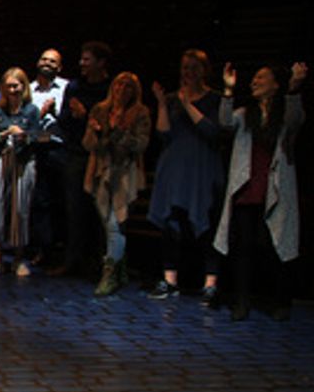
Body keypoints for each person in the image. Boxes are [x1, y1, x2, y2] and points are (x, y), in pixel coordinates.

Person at [213, 61, 306, 321]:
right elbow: (224, 122)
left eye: (261, 78)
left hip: (275, 188)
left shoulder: (284, 112)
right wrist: (228, 91)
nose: (255, 81)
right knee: (243, 247)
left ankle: (280, 300)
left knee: (276, 246)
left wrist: (295, 90)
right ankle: (241, 300)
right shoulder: (245, 114)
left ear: (276, 85)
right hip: (248, 187)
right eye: (254, 78)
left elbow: (295, 119)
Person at [146, 49, 224, 303]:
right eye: (184, 68)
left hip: (202, 168)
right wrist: (161, 102)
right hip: (174, 168)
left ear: (204, 70)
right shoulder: (171, 99)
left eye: (193, 68)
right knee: (171, 222)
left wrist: (187, 103)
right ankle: (170, 280)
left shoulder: (216, 99)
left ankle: (210, 282)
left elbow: (212, 132)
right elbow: (163, 133)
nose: (188, 73)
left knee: (207, 223)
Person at [82, 72, 151, 296]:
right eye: (119, 84)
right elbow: (88, 144)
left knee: (115, 223)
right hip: (101, 171)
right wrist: (96, 131)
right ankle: (120, 270)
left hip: (125, 173)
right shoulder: (100, 110)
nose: (122, 90)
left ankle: (109, 274)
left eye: (128, 86)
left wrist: (120, 130)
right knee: (106, 222)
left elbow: (140, 145)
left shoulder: (140, 113)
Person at [52, 41, 110, 277]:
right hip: (76, 154)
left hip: (102, 156)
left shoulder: (109, 88)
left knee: (100, 211)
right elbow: (63, 120)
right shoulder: (75, 87)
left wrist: (88, 115)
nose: (82, 64)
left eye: (87, 59)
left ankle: (99, 262)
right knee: (74, 209)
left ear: (100, 62)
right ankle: (72, 260)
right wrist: (75, 116)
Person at [0, 67, 41, 277]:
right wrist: (6, 132)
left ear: (23, 86)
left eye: (16, 86)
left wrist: (24, 136)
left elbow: (37, 137)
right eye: (8, 86)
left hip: (23, 162)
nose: (13, 90)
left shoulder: (32, 110)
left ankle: (18, 259)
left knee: (20, 210)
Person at [30, 48, 70, 267]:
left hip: (60, 149)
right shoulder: (28, 89)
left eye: (52, 61)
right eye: (44, 59)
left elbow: (71, 121)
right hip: (36, 149)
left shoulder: (67, 88)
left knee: (61, 200)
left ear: (59, 67)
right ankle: (42, 249)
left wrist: (54, 113)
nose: (47, 63)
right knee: (39, 201)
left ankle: (63, 248)